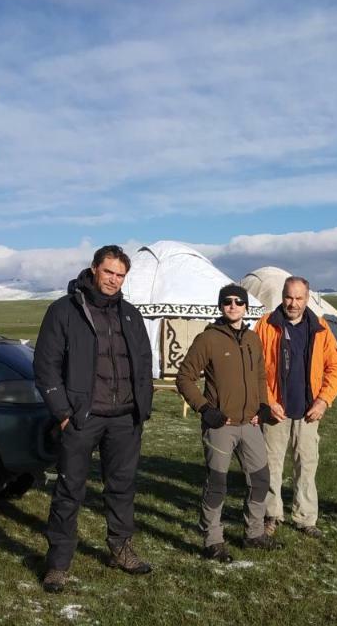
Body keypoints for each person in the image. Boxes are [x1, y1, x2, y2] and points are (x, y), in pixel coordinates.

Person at [33, 245, 154, 592]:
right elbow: (46, 365)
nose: (114, 281)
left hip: (124, 419)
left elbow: (143, 362)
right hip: (82, 418)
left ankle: (121, 549)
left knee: (122, 489)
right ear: (94, 269)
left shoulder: (130, 315)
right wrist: (63, 412)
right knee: (69, 490)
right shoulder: (65, 310)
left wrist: (140, 408)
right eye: (109, 272)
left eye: (120, 275)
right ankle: (58, 564)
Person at [176, 283, 275, 563]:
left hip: (251, 423)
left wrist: (263, 406)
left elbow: (258, 377)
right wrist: (205, 409)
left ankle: (254, 533)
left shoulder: (253, 339)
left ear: (246, 306)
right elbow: (185, 377)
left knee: (260, 479)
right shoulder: (208, 339)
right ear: (221, 306)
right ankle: (213, 540)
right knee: (217, 483)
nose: (233, 306)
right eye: (227, 302)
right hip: (221, 424)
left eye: (238, 302)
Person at [255, 276, 337, 538]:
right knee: (271, 466)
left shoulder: (318, 327)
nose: (293, 303)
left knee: (306, 465)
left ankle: (305, 517)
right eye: (288, 297)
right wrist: (267, 400)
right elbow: (253, 367)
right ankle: (271, 515)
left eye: (298, 298)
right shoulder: (266, 325)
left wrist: (324, 400)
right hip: (276, 410)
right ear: (281, 296)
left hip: (308, 410)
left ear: (308, 299)